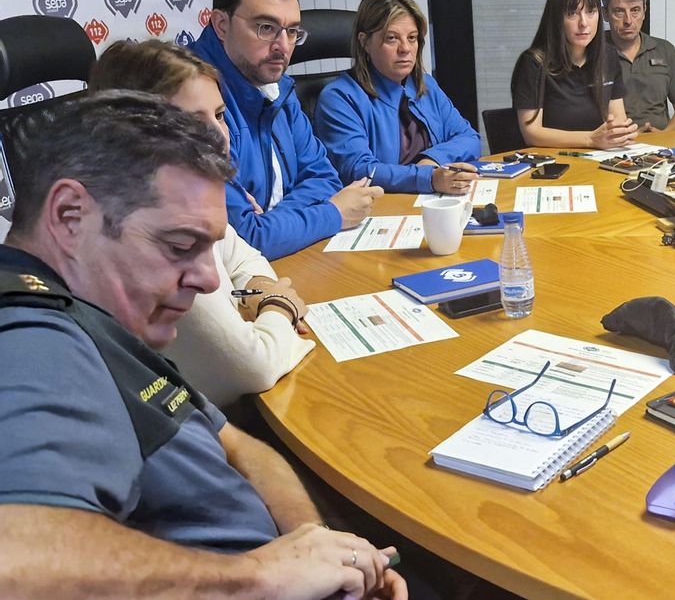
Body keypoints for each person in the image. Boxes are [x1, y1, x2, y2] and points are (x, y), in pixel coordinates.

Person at [0, 91, 404, 599]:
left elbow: (237, 445)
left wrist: (315, 546)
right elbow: (18, 562)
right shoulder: (33, 336)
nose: (210, 279)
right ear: (68, 215)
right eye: (178, 246)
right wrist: (260, 577)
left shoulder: (104, 317)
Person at [89, 39, 315, 407]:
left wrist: (257, 287)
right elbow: (254, 367)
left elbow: (243, 255)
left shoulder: (182, 195)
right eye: (193, 123)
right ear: (134, 135)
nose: (219, 135)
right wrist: (279, 304)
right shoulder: (142, 233)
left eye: (220, 115)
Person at [192, 0, 383, 260]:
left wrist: (274, 224)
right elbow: (244, 239)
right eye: (266, 27)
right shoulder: (193, 100)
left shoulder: (277, 85)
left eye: (292, 31)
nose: (283, 46)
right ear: (221, 24)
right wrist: (332, 214)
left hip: (290, 258)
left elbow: (325, 178)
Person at [315, 0, 482, 195]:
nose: (405, 48)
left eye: (412, 38)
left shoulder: (425, 85)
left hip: (433, 201)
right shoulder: (339, 98)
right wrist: (428, 178)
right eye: (392, 38)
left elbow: (470, 139)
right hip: (380, 209)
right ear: (364, 42)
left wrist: (430, 160)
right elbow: (358, 170)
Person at [511, 0, 638, 149]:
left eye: (590, 12)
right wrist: (591, 139)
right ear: (556, 18)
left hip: (599, 159)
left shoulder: (608, 56)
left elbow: (617, 120)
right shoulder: (534, 63)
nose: (584, 23)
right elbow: (532, 133)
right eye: (572, 13)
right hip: (551, 164)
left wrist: (622, 133)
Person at [599, 0, 675, 132]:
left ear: (644, 11)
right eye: (619, 11)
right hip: (611, 142)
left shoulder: (664, 49)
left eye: (635, 10)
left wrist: (665, 136)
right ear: (605, 14)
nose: (628, 20)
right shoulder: (593, 52)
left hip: (662, 144)